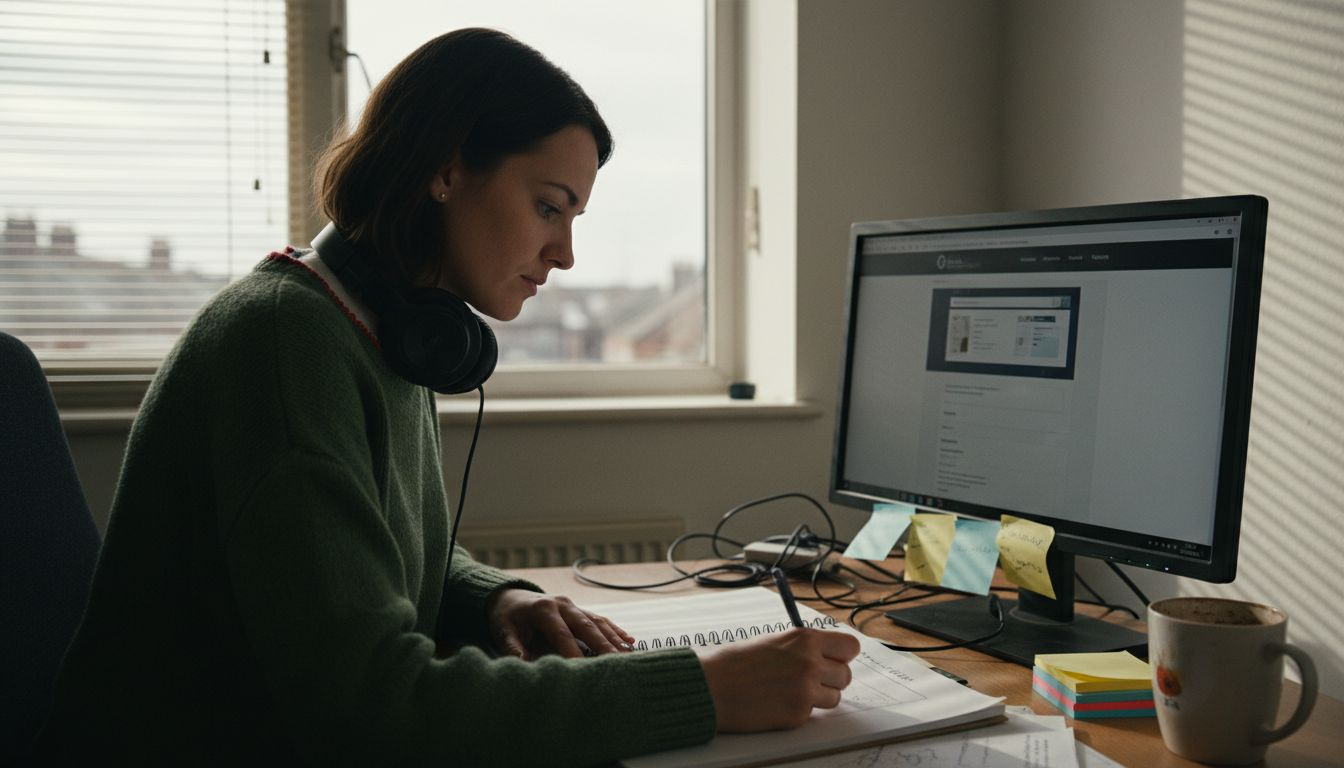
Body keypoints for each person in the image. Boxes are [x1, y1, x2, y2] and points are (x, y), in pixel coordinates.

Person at [32, 28, 860, 766]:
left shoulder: (381, 329)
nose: (564, 254)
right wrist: (705, 692)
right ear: (447, 169)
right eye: (549, 207)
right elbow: (375, 710)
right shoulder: (286, 348)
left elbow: (357, 560)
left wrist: (489, 595)